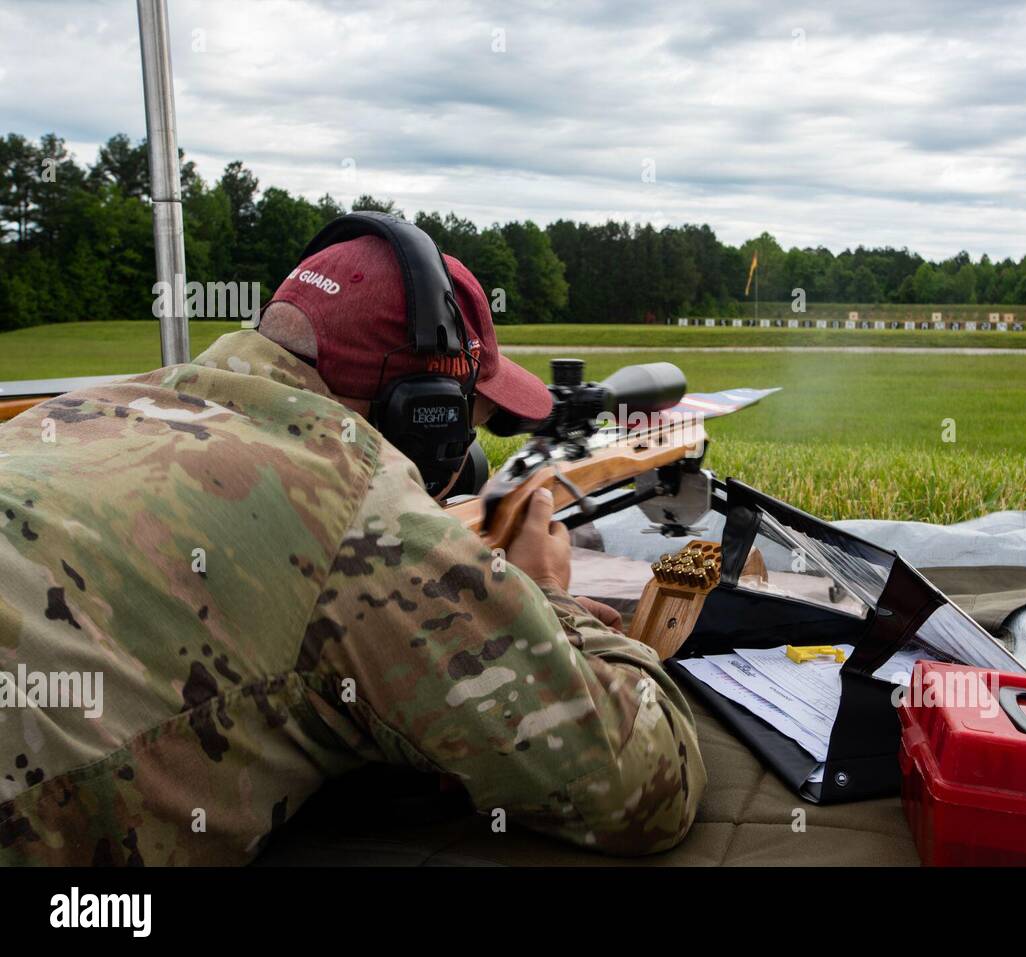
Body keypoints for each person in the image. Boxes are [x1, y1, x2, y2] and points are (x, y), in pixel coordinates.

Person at [0, 224, 705, 865]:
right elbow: (646, 783)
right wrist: (546, 598)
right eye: (467, 427)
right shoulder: (353, 505)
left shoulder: (77, 411)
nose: (461, 464)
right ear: (422, 417)